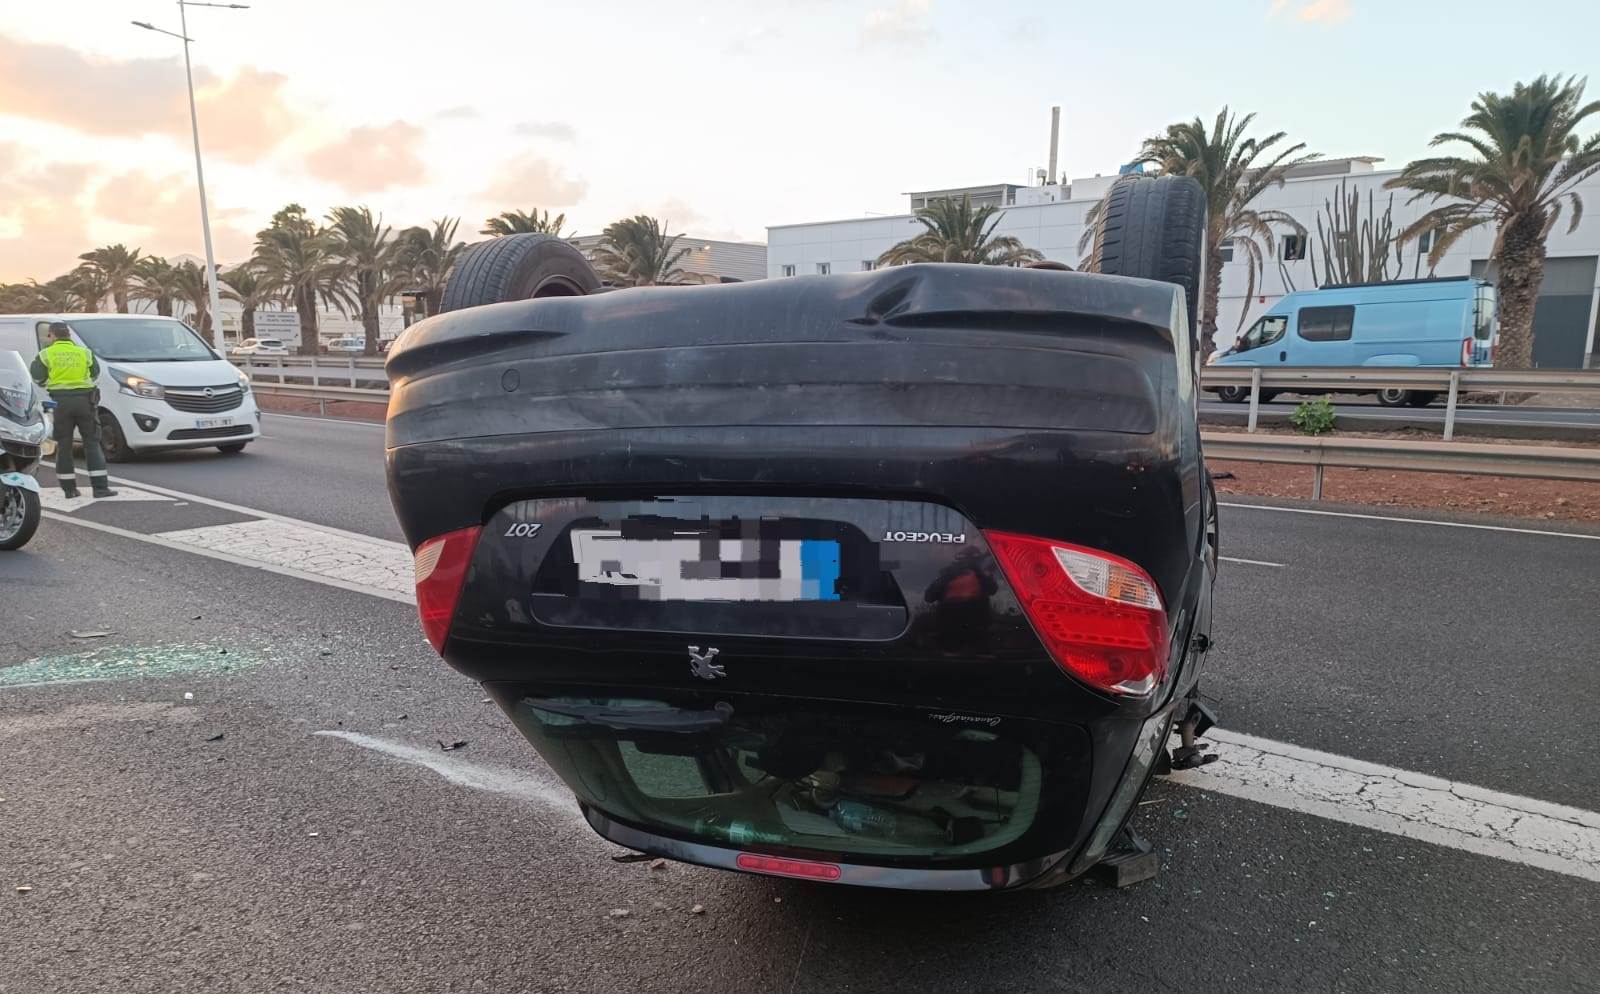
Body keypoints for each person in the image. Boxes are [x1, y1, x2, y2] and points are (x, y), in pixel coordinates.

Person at [29, 322, 117, 499]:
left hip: (60, 403)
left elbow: (37, 376)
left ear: (51, 336)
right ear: (69, 335)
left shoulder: (45, 354)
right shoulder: (84, 353)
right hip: (86, 402)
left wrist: (52, 384)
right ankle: (100, 489)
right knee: (92, 443)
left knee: (64, 445)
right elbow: (94, 374)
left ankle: (69, 490)